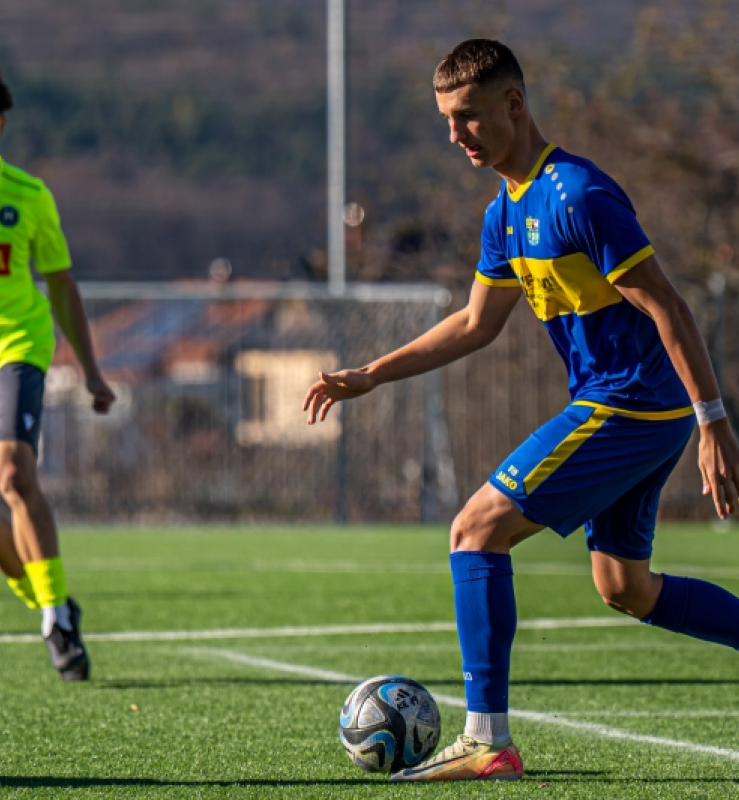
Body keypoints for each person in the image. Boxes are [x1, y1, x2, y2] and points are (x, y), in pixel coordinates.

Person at [303, 38, 739, 782]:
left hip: (633, 402)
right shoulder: (505, 213)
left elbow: (669, 305)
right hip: (631, 406)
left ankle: (487, 740)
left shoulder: (578, 195)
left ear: (514, 104)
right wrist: (372, 374)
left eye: (469, 117)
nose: (456, 136)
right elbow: (476, 324)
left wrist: (713, 422)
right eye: (446, 121)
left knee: (474, 531)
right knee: (624, 587)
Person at [0, 59, 115, 681]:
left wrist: (91, 371)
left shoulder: (28, 196)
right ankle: (52, 604)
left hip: (16, 346)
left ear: (1, 126)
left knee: (14, 470)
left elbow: (62, 287)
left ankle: (58, 624)